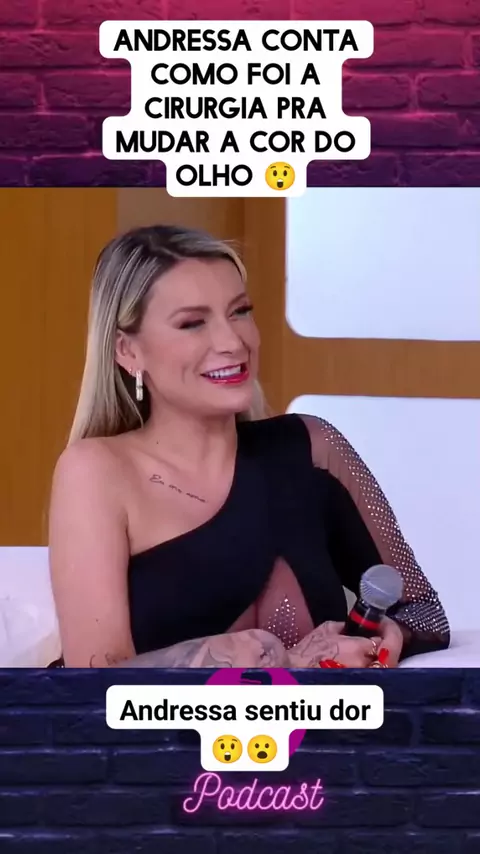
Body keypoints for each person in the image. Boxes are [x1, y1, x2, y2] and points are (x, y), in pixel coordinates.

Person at [48, 225, 450, 669]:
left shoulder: (312, 447)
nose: (232, 342)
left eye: (239, 312)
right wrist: (223, 658)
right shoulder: (96, 471)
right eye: (193, 323)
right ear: (128, 351)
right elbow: (90, 678)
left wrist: (387, 637)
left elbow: (425, 612)